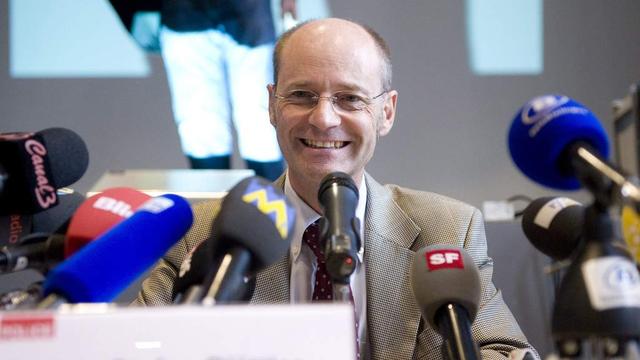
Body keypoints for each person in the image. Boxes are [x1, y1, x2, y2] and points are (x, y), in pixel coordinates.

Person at [135, 18, 538, 359]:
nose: (324, 118)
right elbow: (136, 348)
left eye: (349, 98)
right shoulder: (200, 232)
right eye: (301, 96)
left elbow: (506, 352)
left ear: (387, 112)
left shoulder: (447, 229)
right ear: (272, 106)